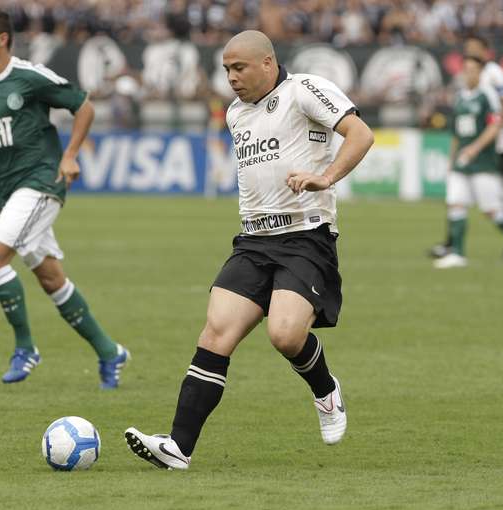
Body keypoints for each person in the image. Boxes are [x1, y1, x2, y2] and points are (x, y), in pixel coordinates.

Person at [124, 30, 373, 470]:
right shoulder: (236, 113)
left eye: (239, 68)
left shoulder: (305, 90)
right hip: (254, 241)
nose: (231, 78)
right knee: (216, 333)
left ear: (268, 63)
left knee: (285, 335)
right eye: (226, 70)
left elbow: (361, 134)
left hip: (305, 238)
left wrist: (327, 176)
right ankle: (179, 447)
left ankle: (325, 391)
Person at [0, 7, 129, 389]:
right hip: (7, 192)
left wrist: (70, 155)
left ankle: (26, 347)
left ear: (2, 40)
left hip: (41, 181)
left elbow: (83, 106)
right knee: (51, 278)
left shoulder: (30, 76)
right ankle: (110, 351)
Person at [429, 35, 503, 265]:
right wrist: (452, 158)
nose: (468, 72)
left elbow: (498, 119)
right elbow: (456, 132)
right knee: (455, 202)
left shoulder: (489, 88)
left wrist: (480, 145)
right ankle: (456, 252)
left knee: (493, 207)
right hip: (463, 158)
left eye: (473, 69)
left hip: (486, 154)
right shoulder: (460, 96)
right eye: (465, 68)